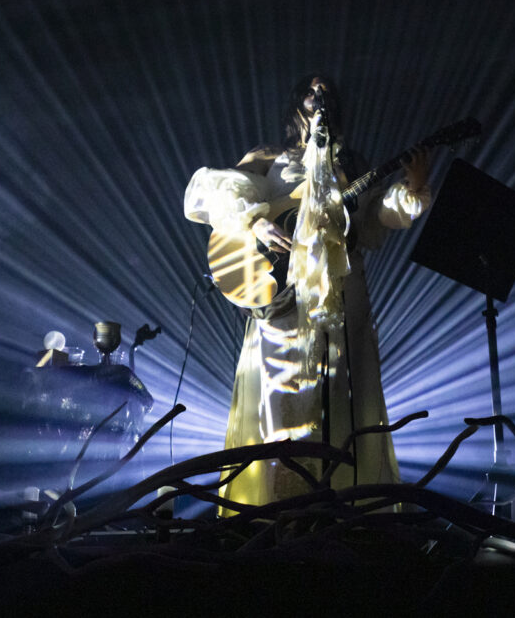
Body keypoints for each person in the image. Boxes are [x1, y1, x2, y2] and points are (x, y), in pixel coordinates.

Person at [184, 74, 432, 509]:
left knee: (344, 398)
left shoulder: (352, 165)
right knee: (284, 401)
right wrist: (254, 221)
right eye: (311, 89)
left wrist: (412, 186)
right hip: (284, 296)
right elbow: (216, 195)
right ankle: (283, 516)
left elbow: (380, 215)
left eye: (328, 91)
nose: (321, 96)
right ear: (296, 103)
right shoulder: (268, 156)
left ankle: (342, 513)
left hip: (342, 294)